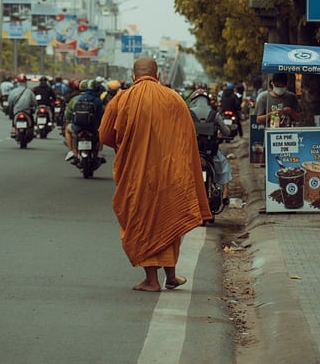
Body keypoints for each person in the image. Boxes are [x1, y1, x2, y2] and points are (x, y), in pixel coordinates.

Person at [98, 56, 211, 292]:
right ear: (158, 75)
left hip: (137, 176)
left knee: (142, 221)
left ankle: (152, 280)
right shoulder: (175, 99)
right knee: (169, 217)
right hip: (171, 173)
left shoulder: (122, 99)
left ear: (133, 77)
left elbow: (105, 135)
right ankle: (171, 275)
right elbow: (187, 139)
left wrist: (127, 146)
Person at [188, 88, 233, 200]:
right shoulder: (215, 114)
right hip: (211, 153)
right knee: (224, 166)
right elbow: (227, 131)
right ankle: (225, 194)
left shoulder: (188, 113)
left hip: (192, 152)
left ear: (194, 100)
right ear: (207, 101)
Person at [64, 78, 105, 162]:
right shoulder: (98, 100)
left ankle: (70, 151)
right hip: (93, 128)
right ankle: (100, 152)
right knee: (102, 132)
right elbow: (102, 115)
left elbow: (68, 114)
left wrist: (68, 120)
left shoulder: (76, 99)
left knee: (67, 130)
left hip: (78, 127)